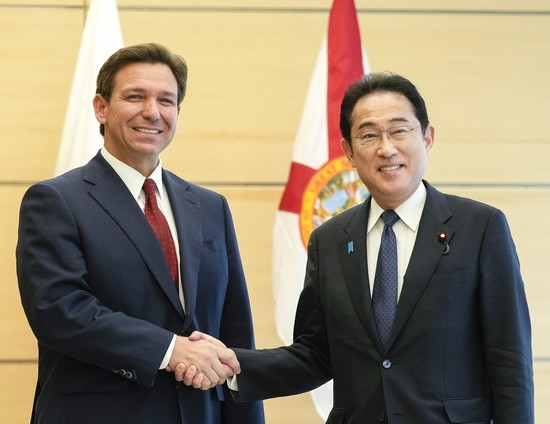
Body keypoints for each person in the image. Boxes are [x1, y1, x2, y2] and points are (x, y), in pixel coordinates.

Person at [177, 72, 535, 423]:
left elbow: (508, 359)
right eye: (369, 135)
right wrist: (233, 364)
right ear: (348, 151)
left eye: (399, 130)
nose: (386, 148)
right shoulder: (330, 239)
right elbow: (315, 354)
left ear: (427, 138)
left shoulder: (480, 227)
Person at [16, 42, 264, 424]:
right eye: (135, 97)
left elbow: (235, 335)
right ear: (101, 107)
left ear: (178, 112)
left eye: (166, 100)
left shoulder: (210, 206)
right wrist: (169, 350)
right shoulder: (55, 201)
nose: (152, 112)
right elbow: (59, 311)